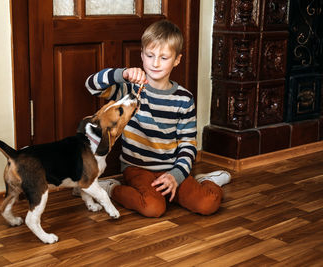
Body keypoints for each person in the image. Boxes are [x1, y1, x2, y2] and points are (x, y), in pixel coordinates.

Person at [84, 19, 230, 218]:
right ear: (142, 55)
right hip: (137, 169)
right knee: (153, 208)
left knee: (207, 204)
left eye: (164, 57)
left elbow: (188, 144)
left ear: (177, 60)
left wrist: (176, 176)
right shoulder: (129, 89)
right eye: (150, 55)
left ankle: (207, 181)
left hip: (171, 169)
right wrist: (122, 74)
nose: (155, 63)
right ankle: (110, 189)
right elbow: (91, 85)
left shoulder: (184, 99)